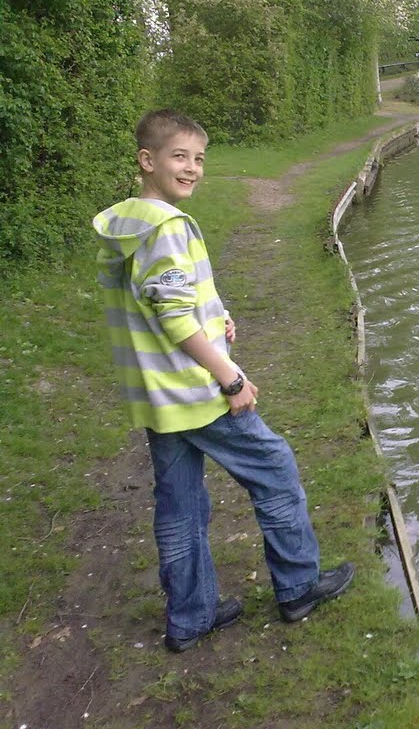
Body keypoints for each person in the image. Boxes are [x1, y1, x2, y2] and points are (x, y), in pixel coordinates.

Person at [93, 109, 355, 653]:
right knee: (275, 468)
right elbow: (172, 314)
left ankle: (191, 616)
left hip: (157, 396)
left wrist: (218, 321)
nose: (192, 169)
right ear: (148, 161)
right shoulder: (166, 228)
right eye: (179, 157)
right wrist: (229, 376)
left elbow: (166, 303)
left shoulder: (129, 224)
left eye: (198, 159)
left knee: (181, 503)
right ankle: (299, 586)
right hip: (195, 392)